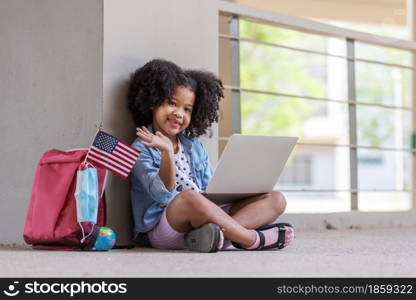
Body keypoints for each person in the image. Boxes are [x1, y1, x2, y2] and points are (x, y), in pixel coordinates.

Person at [128, 59, 294, 252]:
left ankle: (213, 236)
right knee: (189, 197)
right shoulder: (141, 148)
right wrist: (166, 153)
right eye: (172, 103)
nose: (179, 113)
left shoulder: (193, 146)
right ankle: (250, 238)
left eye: (187, 109)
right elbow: (164, 194)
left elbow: (208, 190)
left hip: (202, 220)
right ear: (152, 102)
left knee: (276, 199)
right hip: (165, 227)